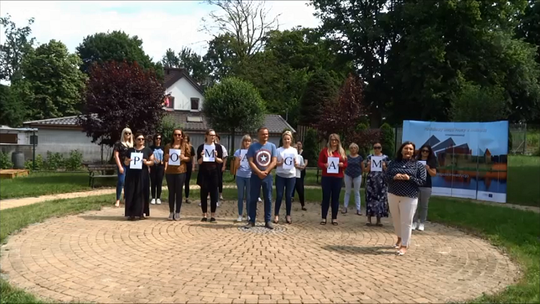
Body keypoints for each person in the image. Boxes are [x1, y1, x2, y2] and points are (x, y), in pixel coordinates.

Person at [385, 141, 427, 256]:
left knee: (406, 221)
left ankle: (404, 245)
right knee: (396, 219)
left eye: (410, 149)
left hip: (409, 196)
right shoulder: (393, 163)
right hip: (393, 194)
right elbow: (386, 177)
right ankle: (399, 237)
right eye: (406, 148)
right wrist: (394, 177)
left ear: (414, 151)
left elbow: (422, 181)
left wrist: (409, 178)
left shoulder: (418, 165)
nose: (408, 151)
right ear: (401, 150)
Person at [244, 127, 277, 230]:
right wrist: (259, 172)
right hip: (255, 176)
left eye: (267, 134)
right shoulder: (253, 147)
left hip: (268, 176)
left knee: (268, 198)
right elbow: (250, 161)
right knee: (253, 198)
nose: (265, 136)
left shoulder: (272, 146)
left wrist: (266, 171)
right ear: (258, 135)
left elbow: (274, 161)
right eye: (263, 134)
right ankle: (251, 220)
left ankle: (267, 220)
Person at [318, 133, 348, 225]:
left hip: (337, 177)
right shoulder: (325, 151)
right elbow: (319, 162)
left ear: (338, 141)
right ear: (329, 141)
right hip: (326, 177)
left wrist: (342, 165)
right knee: (325, 197)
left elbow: (346, 164)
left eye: (335, 140)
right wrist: (324, 165)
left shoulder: (341, 152)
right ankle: (324, 218)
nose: (334, 142)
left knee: (335, 198)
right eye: (332, 140)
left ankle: (334, 218)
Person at [123, 132, 154, 220]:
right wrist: (128, 161)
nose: (141, 141)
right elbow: (125, 162)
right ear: (135, 140)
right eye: (139, 139)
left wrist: (146, 162)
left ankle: (141, 212)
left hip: (143, 174)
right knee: (131, 192)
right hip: (132, 174)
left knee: (142, 193)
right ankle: (131, 213)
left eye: (142, 139)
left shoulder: (148, 150)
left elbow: (152, 162)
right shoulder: (130, 150)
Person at [197, 129, 224, 222]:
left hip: (214, 173)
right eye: (211, 135)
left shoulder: (218, 147)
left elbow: (221, 161)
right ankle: (204, 215)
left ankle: (213, 215)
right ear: (206, 136)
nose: (213, 137)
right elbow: (199, 162)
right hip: (204, 173)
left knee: (214, 194)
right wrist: (201, 156)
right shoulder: (201, 147)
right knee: (203, 194)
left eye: (214, 135)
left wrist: (216, 157)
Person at [164, 128, 191, 221]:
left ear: (182, 136)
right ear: (173, 136)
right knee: (171, 192)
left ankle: (178, 212)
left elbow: (189, 158)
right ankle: (171, 212)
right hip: (170, 172)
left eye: (179, 135)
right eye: (175, 134)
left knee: (179, 192)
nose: (177, 136)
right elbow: (165, 158)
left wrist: (183, 158)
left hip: (180, 171)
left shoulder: (185, 146)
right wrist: (166, 157)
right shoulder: (168, 146)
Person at [274, 131, 299, 224]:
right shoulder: (278, 150)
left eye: (288, 139)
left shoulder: (294, 150)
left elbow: (296, 162)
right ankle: (276, 214)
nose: (286, 140)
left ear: (291, 140)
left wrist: (296, 163)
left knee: (288, 196)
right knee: (279, 195)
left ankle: (288, 215)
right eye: (285, 139)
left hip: (291, 176)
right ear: (282, 140)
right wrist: (280, 163)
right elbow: (275, 163)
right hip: (280, 175)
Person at [364, 142, 390, 226]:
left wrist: (384, 167)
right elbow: (366, 170)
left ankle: (379, 219)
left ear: (381, 148)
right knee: (370, 199)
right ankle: (369, 219)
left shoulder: (385, 158)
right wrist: (368, 166)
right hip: (371, 181)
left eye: (378, 147)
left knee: (380, 200)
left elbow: (388, 171)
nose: (377, 149)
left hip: (381, 182)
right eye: (375, 147)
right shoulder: (369, 157)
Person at [412, 144, 438, 231]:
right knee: (414, 204)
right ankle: (414, 222)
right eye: (423, 151)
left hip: (426, 186)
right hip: (416, 184)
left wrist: (428, 169)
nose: (424, 153)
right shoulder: (416, 160)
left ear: (429, 152)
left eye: (426, 151)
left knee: (424, 206)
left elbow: (434, 174)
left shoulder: (431, 161)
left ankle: (422, 223)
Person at [234, 135, 252, 222]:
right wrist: (239, 161)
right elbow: (235, 167)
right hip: (240, 175)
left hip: (249, 176)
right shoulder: (238, 152)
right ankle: (240, 214)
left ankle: (249, 214)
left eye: (249, 141)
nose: (247, 143)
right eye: (245, 141)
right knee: (240, 196)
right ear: (242, 142)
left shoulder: (252, 152)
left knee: (249, 196)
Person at [113, 128, 132, 207]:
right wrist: (120, 166)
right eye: (126, 133)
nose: (127, 135)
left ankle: (126, 198)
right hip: (122, 165)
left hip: (130, 166)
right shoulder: (118, 143)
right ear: (123, 134)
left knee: (128, 183)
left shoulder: (131, 145)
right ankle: (118, 199)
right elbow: (116, 156)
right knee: (121, 181)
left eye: (129, 133)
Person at [343, 143, 364, 215]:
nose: (353, 149)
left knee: (356, 192)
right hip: (348, 174)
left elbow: (362, 167)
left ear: (357, 149)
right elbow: (344, 165)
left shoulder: (360, 157)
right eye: (351, 148)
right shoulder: (347, 157)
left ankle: (358, 209)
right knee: (347, 191)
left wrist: (361, 173)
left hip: (357, 175)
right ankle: (345, 207)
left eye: (354, 148)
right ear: (349, 149)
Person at [150, 134, 164, 205]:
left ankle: (158, 197)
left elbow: (166, 157)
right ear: (154, 139)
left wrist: (163, 161)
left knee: (159, 182)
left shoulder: (163, 148)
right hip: (153, 166)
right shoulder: (151, 148)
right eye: (157, 138)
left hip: (160, 167)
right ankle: (153, 197)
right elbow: (149, 156)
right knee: (153, 182)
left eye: (159, 138)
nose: (158, 140)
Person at [293, 141, 308, 210]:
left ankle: (303, 205)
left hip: (297, 175)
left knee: (300, 190)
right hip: (290, 175)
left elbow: (302, 166)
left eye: (296, 147)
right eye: (294, 147)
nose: (295, 149)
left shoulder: (300, 157)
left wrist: (299, 167)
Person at [215, 134, 228, 202]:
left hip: (219, 165)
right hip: (211, 166)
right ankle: (208, 194)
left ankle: (220, 194)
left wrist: (223, 166)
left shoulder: (221, 147)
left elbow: (225, 157)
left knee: (220, 180)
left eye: (217, 138)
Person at [184, 134, 196, 204]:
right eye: (184, 138)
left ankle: (187, 197)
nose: (185, 140)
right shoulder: (180, 147)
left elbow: (193, 157)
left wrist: (193, 166)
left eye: (186, 138)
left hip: (188, 165)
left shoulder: (191, 147)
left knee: (187, 182)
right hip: (181, 166)